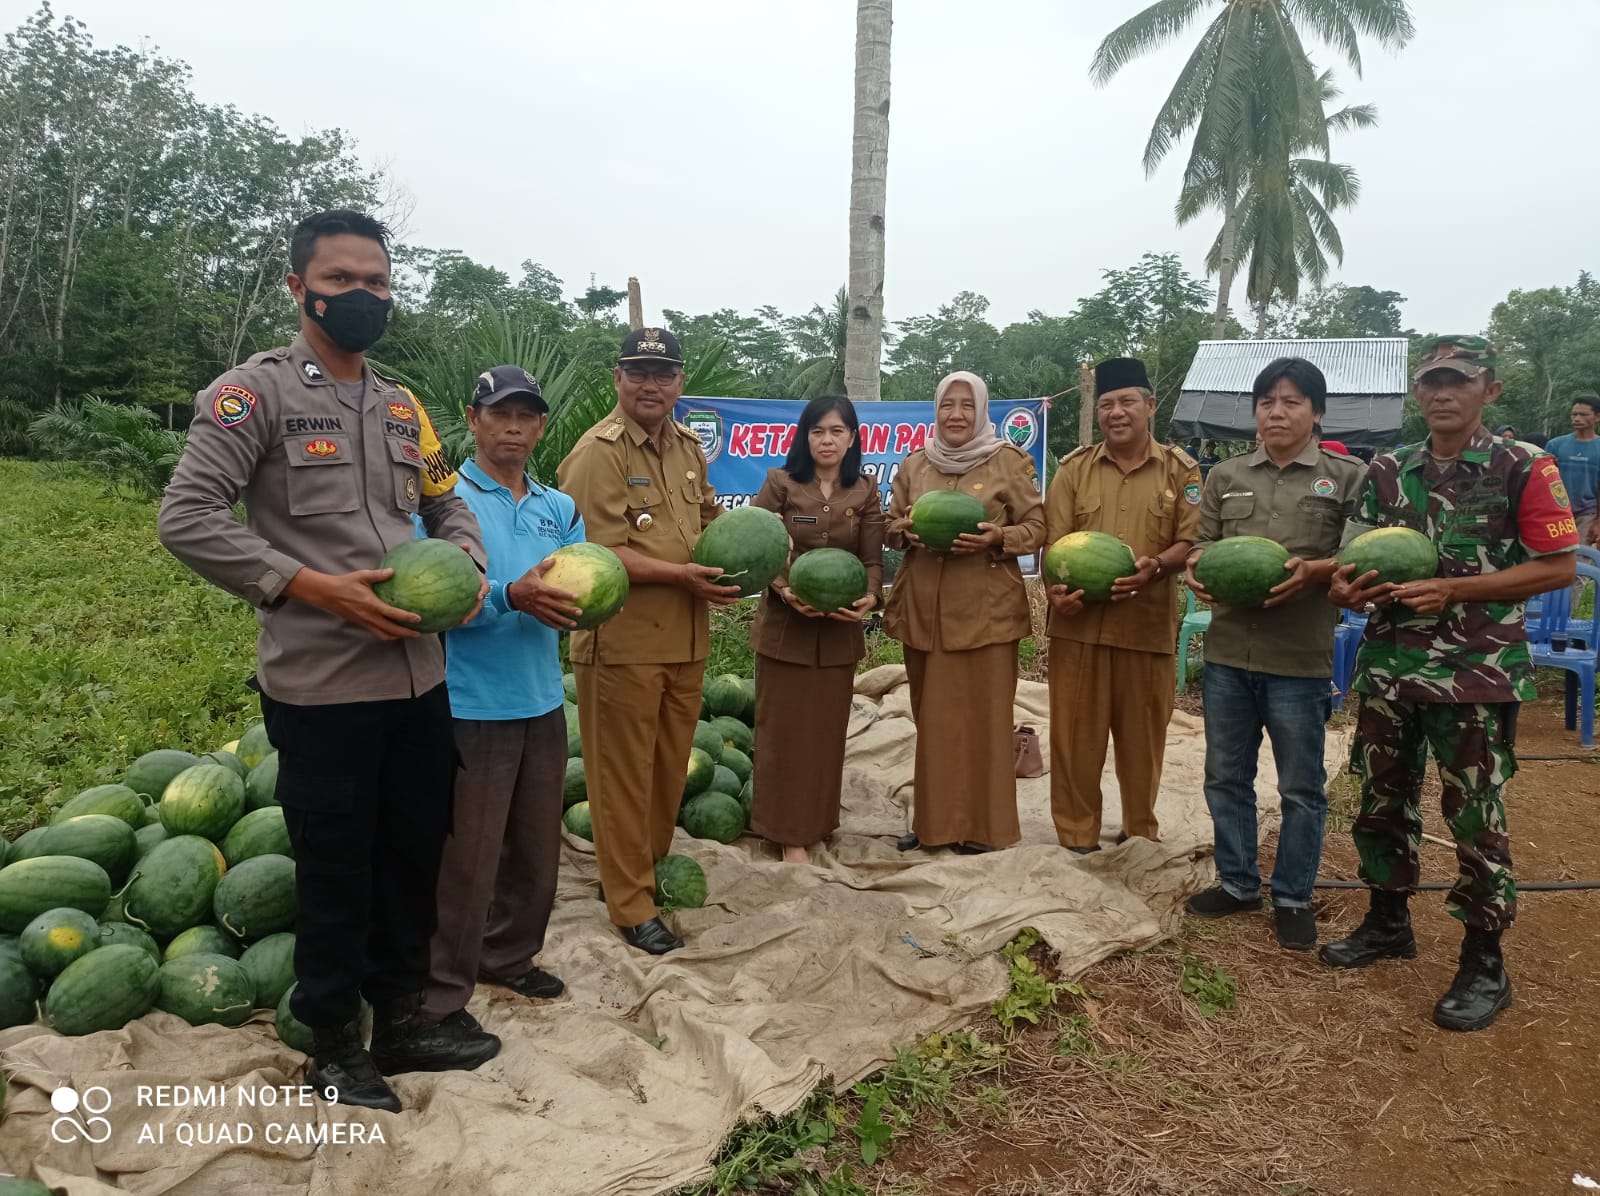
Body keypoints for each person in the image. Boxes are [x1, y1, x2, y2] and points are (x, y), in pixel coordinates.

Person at [158, 209, 496, 1112]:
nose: (362, 296)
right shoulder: (252, 395)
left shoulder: (400, 403)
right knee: (337, 868)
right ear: (298, 286)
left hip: (420, 680)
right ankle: (336, 1047)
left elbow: (444, 503)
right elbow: (186, 518)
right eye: (342, 280)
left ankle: (406, 1021)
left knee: (412, 853)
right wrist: (312, 586)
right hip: (324, 687)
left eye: (377, 282)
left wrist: (465, 552)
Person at [1323, 335, 1578, 1032]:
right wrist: (1347, 586)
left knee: (1475, 819)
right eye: (1431, 380)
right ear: (1417, 391)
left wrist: (1456, 588)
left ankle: (1485, 962)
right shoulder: (1387, 468)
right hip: (1389, 667)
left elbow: (1557, 567)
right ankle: (1387, 921)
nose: (1442, 392)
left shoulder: (1523, 466)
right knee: (1380, 801)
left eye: (1458, 381)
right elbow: (1354, 559)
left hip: (1475, 670)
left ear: (1488, 390)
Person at [556, 328, 740, 954]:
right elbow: (594, 551)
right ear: (618, 379)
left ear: (680, 382)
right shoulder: (597, 453)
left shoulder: (688, 447)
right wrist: (682, 575)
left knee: (667, 772)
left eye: (663, 374)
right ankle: (629, 903)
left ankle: (647, 870)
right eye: (638, 372)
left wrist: (756, 544)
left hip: (686, 641)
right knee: (623, 775)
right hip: (623, 640)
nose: (651, 385)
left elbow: (710, 518)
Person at [1182, 358, 1365, 950]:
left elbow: (1360, 555)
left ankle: (1292, 895)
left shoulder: (1346, 477)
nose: (1277, 412)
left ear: (1317, 411)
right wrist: (1196, 571)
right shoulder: (1225, 475)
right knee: (1225, 776)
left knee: (1300, 787)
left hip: (1300, 655)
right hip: (1231, 651)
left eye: (1291, 401)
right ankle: (1237, 884)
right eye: (1267, 402)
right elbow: (1205, 546)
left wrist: (1316, 571)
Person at [423, 366, 586, 1031]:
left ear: (541, 426)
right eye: (500, 414)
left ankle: (510, 957)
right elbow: (430, 592)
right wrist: (506, 596)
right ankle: (438, 995)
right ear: (474, 418)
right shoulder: (446, 501)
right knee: (467, 859)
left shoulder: (558, 507)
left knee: (534, 849)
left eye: (526, 415)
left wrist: (583, 605)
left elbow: (585, 580)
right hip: (471, 704)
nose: (513, 426)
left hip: (542, 699)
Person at [884, 370, 1045, 854]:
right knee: (931, 718)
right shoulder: (915, 465)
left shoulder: (1009, 463)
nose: (955, 414)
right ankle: (934, 822)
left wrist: (1000, 537)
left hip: (986, 612)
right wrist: (903, 531)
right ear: (936, 410)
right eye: (947, 405)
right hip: (924, 611)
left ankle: (983, 826)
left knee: (986, 719)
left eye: (966, 405)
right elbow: (891, 523)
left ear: (981, 410)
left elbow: (1038, 525)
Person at [1044, 357, 1200, 854]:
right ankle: (1076, 837)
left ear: (1149, 406)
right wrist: (1056, 592)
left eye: (1127, 401)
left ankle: (1139, 833)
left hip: (1146, 628)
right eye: (1107, 404)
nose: (1116, 412)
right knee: (1074, 740)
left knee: (1143, 742)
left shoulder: (1181, 471)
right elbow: (1054, 544)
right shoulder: (1073, 470)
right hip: (1078, 627)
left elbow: (1190, 541)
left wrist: (1157, 565)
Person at [749, 396, 885, 863]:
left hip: (838, 633)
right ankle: (786, 833)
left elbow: (872, 561)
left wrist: (869, 596)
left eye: (837, 431)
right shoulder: (781, 483)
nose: (827, 440)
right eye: (818, 431)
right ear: (805, 437)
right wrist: (785, 588)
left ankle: (818, 823)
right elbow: (756, 548)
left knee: (826, 732)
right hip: (785, 631)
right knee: (782, 732)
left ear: (852, 438)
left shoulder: (865, 491)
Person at [1542, 395, 1600, 591]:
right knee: (1549, 563)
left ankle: (1568, 615)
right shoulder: (1555, 445)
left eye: (1583, 414)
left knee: (1580, 565)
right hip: (1555, 513)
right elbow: (1543, 480)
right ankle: (1545, 612)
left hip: (1587, 513)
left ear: (1597, 417)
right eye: (1574, 414)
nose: (1577, 418)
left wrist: (1598, 522)